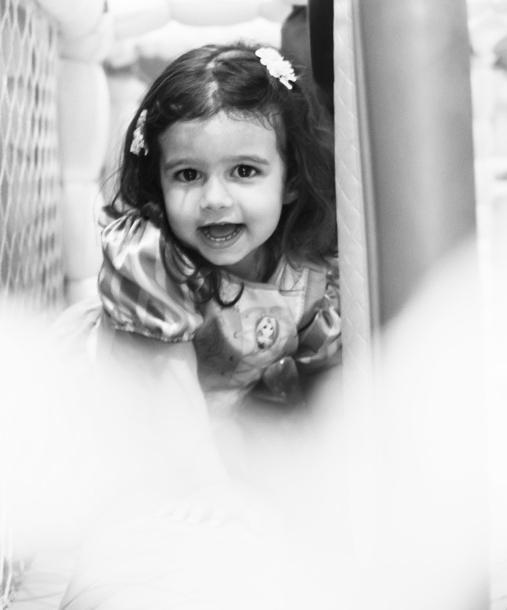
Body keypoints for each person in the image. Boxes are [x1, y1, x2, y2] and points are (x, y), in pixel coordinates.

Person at [60, 42, 340, 452]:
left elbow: (326, 375)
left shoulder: (306, 271)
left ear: (291, 181)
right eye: (188, 175)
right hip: (108, 417)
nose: (214, 199)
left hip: (208, 416)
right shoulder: (154, 260)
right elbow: (169, 394)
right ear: (159, 182)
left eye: (244, 171)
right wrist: (211, 486)